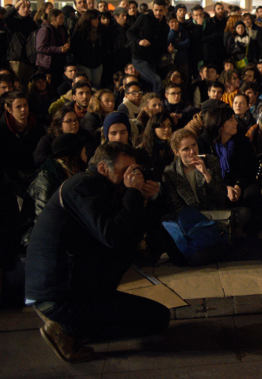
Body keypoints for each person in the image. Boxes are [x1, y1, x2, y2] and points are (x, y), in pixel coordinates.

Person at [25, 142, 169, 362]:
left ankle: (73, 327)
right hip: (59, 295)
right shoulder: (82, 186)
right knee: (154, 319)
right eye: (124, 171)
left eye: (134, 171)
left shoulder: (106, 189)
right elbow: (111, 235)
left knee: (158, 318)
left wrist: (144, 200)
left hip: (77, 288)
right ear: (102, 167)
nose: (129, 177)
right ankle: (66, 330)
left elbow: (130, 242)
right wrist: (131, 193)